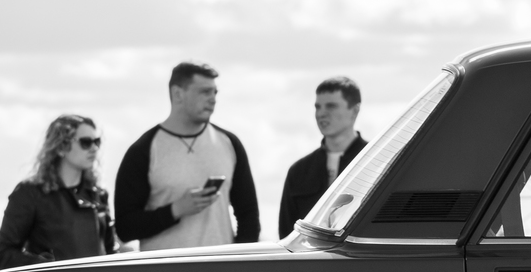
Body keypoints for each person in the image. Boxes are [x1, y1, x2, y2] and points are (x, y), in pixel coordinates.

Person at [114, 62, 260, 251]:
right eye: (204, 92)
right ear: (178, 94)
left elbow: (249, 215)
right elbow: (125, 228)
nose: (213, 99)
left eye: (215, 92)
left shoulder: (229, 143)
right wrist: (175, 210)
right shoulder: (144, 150)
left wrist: (240, 263)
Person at [0, 115, 118, 270]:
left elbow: (111, 253)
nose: (94, 148)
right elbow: (3, 255)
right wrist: (46, 267)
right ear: (61, 147)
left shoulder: (99, 195)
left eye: (97, 142)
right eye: (86, 142)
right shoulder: (30, 193)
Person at [279, 76, 367, 237]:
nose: (321, 113)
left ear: (355, 110)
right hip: (309, 260)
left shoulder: (376, 164)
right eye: (317, 107)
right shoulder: (299, 171)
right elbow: (286, 235)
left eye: (331, 106)